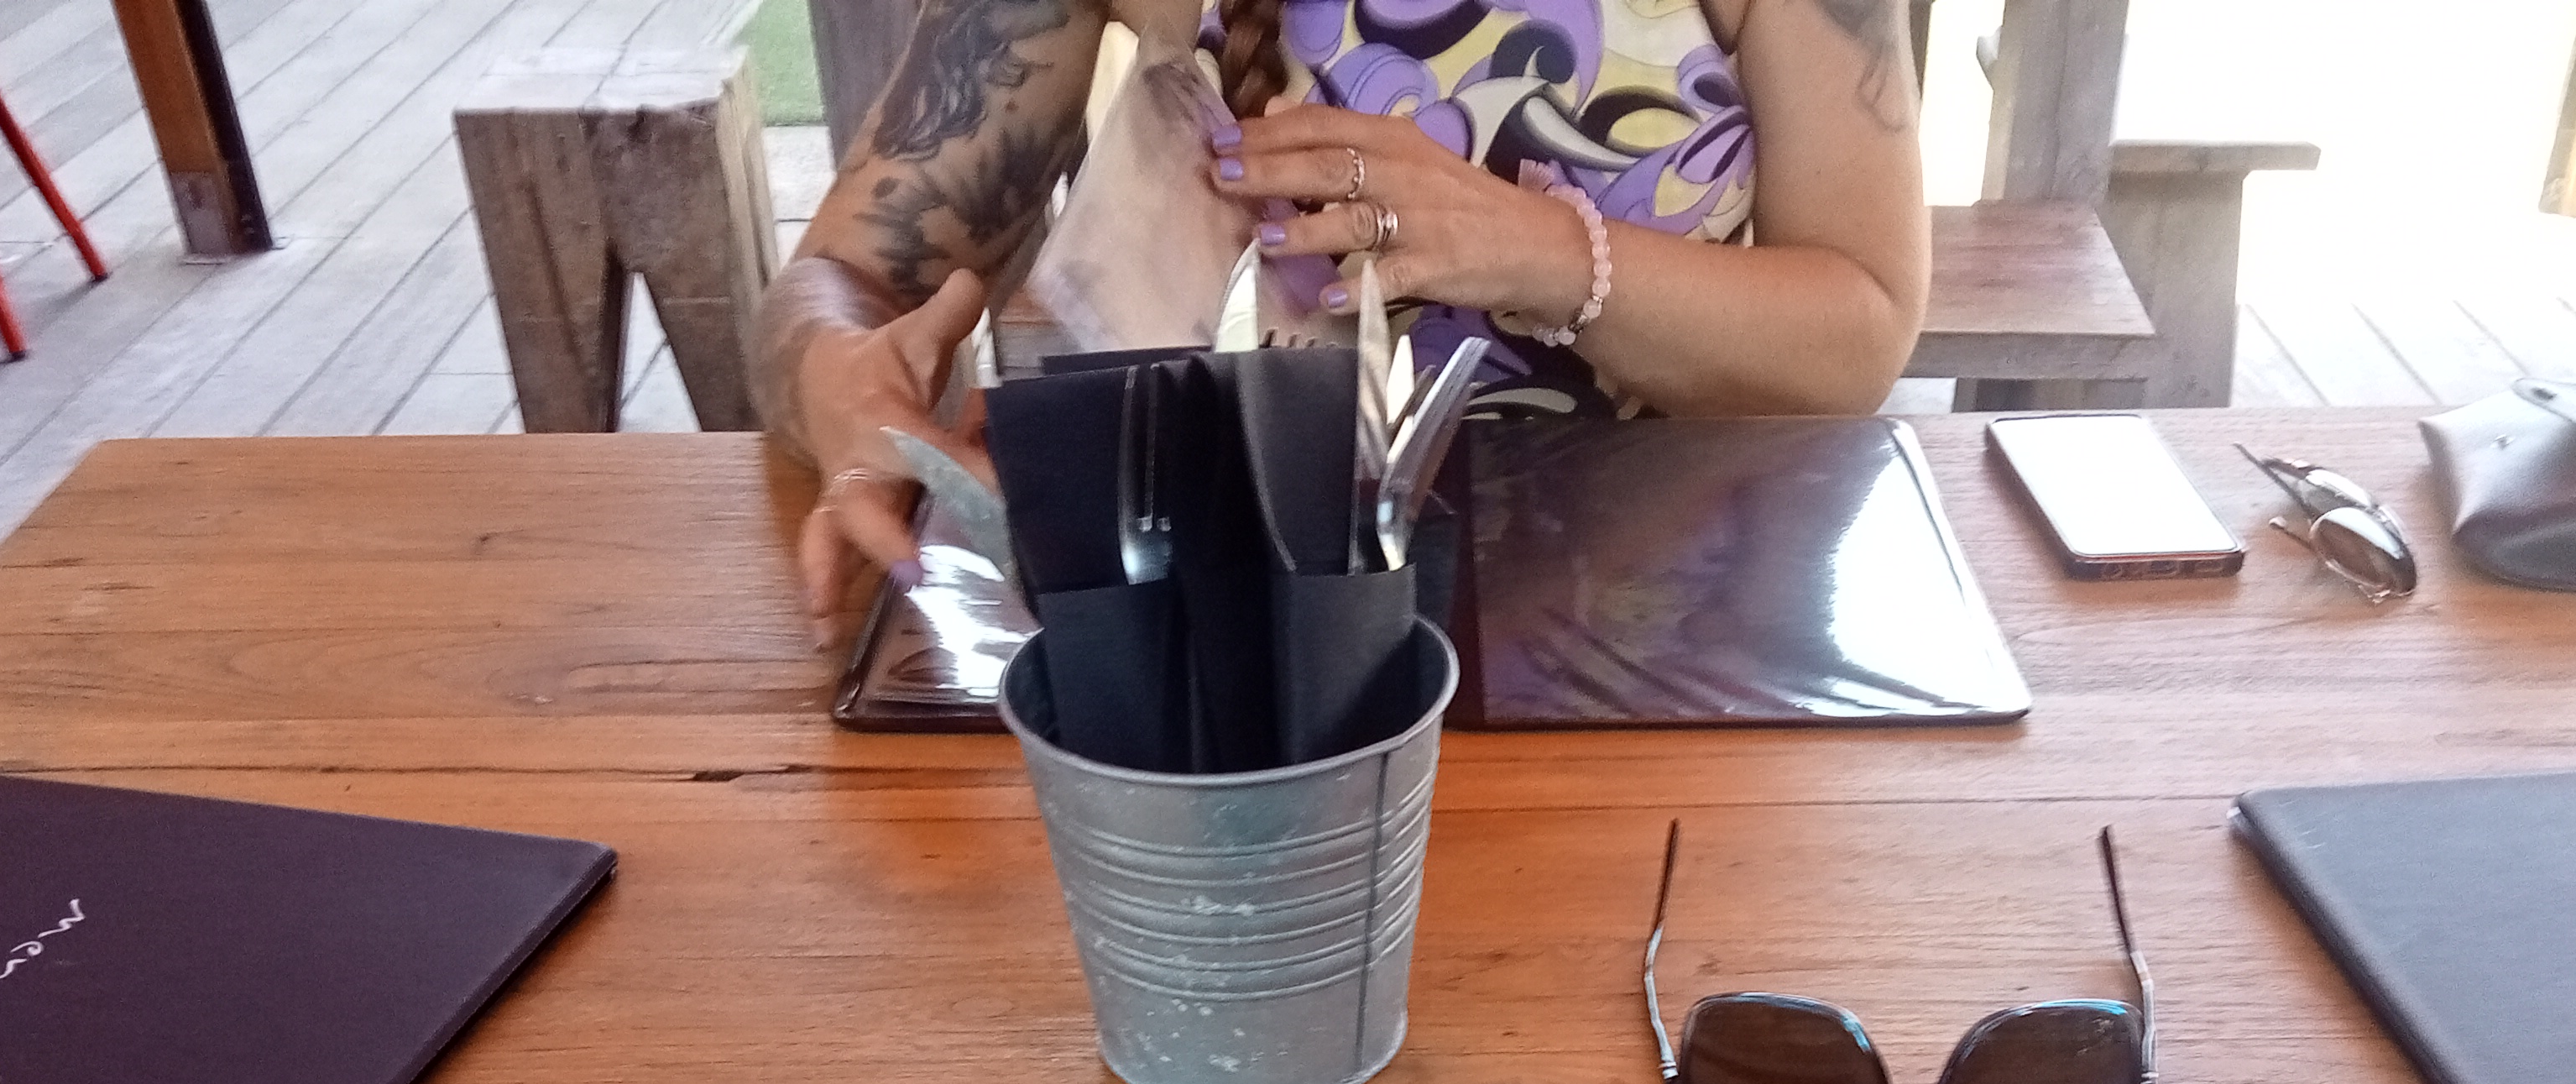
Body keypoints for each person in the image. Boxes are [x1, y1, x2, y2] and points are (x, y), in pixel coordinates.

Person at [761, 0, 1931, 629]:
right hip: (1223, 644)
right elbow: (839, 280)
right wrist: (843, 389)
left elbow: (1859, 335)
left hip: (1654, 627)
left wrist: (1539, 250)